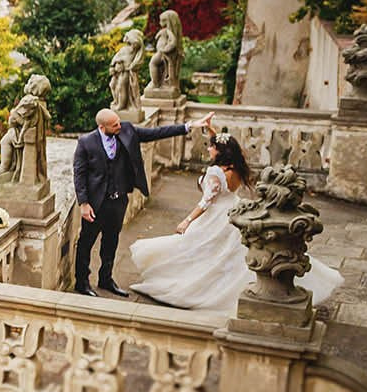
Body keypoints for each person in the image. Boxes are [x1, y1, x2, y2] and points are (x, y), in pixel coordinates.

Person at [129, 131, 344, 312]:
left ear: (219, 151)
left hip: (215, 215)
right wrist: (212, 129)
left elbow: (206, 201)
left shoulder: (215, 172)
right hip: (234, 208)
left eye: (211, 147)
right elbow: (228, 148)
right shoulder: (236, 167)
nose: (208, 149)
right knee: (226, 254)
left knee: (197, 249)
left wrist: (187, 221)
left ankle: (195, 288)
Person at [73, 107, 211, 297]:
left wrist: (189, 126)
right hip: (96, 204)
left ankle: (106, 279)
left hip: (118, 201)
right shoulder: (86, 142)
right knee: (86, 243)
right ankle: (82, 282)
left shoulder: (127, 130)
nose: (119, 126)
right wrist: (84, 203)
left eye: (119, 122)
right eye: (114, 125)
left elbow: (157, 133)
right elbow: (79, 175)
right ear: (102, 127)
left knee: (111, 242)